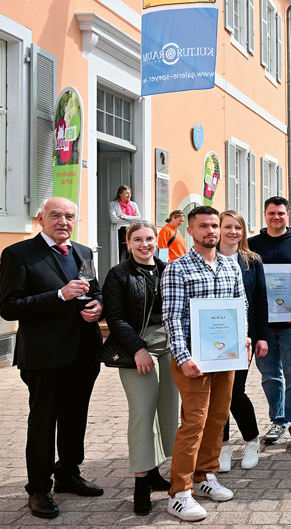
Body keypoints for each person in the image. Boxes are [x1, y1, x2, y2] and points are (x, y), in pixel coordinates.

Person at [0, 197, 104, 519]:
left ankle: (68, 474)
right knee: (43, 422)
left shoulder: (83, 253)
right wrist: (59, 295)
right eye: (56, 215)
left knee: (75, 417)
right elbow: (9, 307)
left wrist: (97, 307)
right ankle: (39, 489)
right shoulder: (18, 254)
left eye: (69, 216)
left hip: (83, 353)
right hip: (44, 356)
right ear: (40, 218)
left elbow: (94, 290)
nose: (63, 221)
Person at [161, 206, 247, 522]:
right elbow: (171, 317)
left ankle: (205, 477)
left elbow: (241, 307)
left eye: (214, 225)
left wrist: (244, 337)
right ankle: (179, 493)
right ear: (191, 231)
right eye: (203, 226)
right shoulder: (177, 268)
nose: (211, 231)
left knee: (218, 418)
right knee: (193, 422)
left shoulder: (230, 266)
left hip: (225, 357)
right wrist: (184, 359)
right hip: (193, 360)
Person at [102, 221, 176, 515]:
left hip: (169, 345)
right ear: (128, 243)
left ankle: (156, 470)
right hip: (137, 348)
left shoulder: (167, 269)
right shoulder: (118, 275)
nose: (145, 244)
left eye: (149, 239)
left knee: (167, 410)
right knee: (143, 412)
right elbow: (115, 318)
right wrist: (138, 349)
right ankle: (141, 482)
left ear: (157, 241)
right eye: (138, 240)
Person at [248, 196, 291, 452]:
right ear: (265, 215)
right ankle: (277, 420)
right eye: (272, 213)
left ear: (288, 215)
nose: (276, 217)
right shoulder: (251, 245)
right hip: (263, 328)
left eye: (281, 213)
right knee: (269, 376)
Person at [217, 210, 269, 471]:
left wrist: (261, 337)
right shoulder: (208, 257)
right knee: (217, 394)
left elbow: (261, 301)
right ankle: (223, 446)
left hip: (243, 337)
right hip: (212, 337)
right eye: (227, 227)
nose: (232, 232)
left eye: (237, 227)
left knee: (235, 392)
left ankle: (251, 440)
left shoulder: (252, 261)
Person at [109, 185, 142, 262]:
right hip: (120, 231)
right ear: (120, 194)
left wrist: (122, 216)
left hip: (132, 231)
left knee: (131, 253)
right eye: (127, 193)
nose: (129, 195)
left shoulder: (133, 204)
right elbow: (113, 219)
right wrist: (131, 219)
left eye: (130, 193)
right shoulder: (113, 204)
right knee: (121, 254)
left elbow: (138, 218)